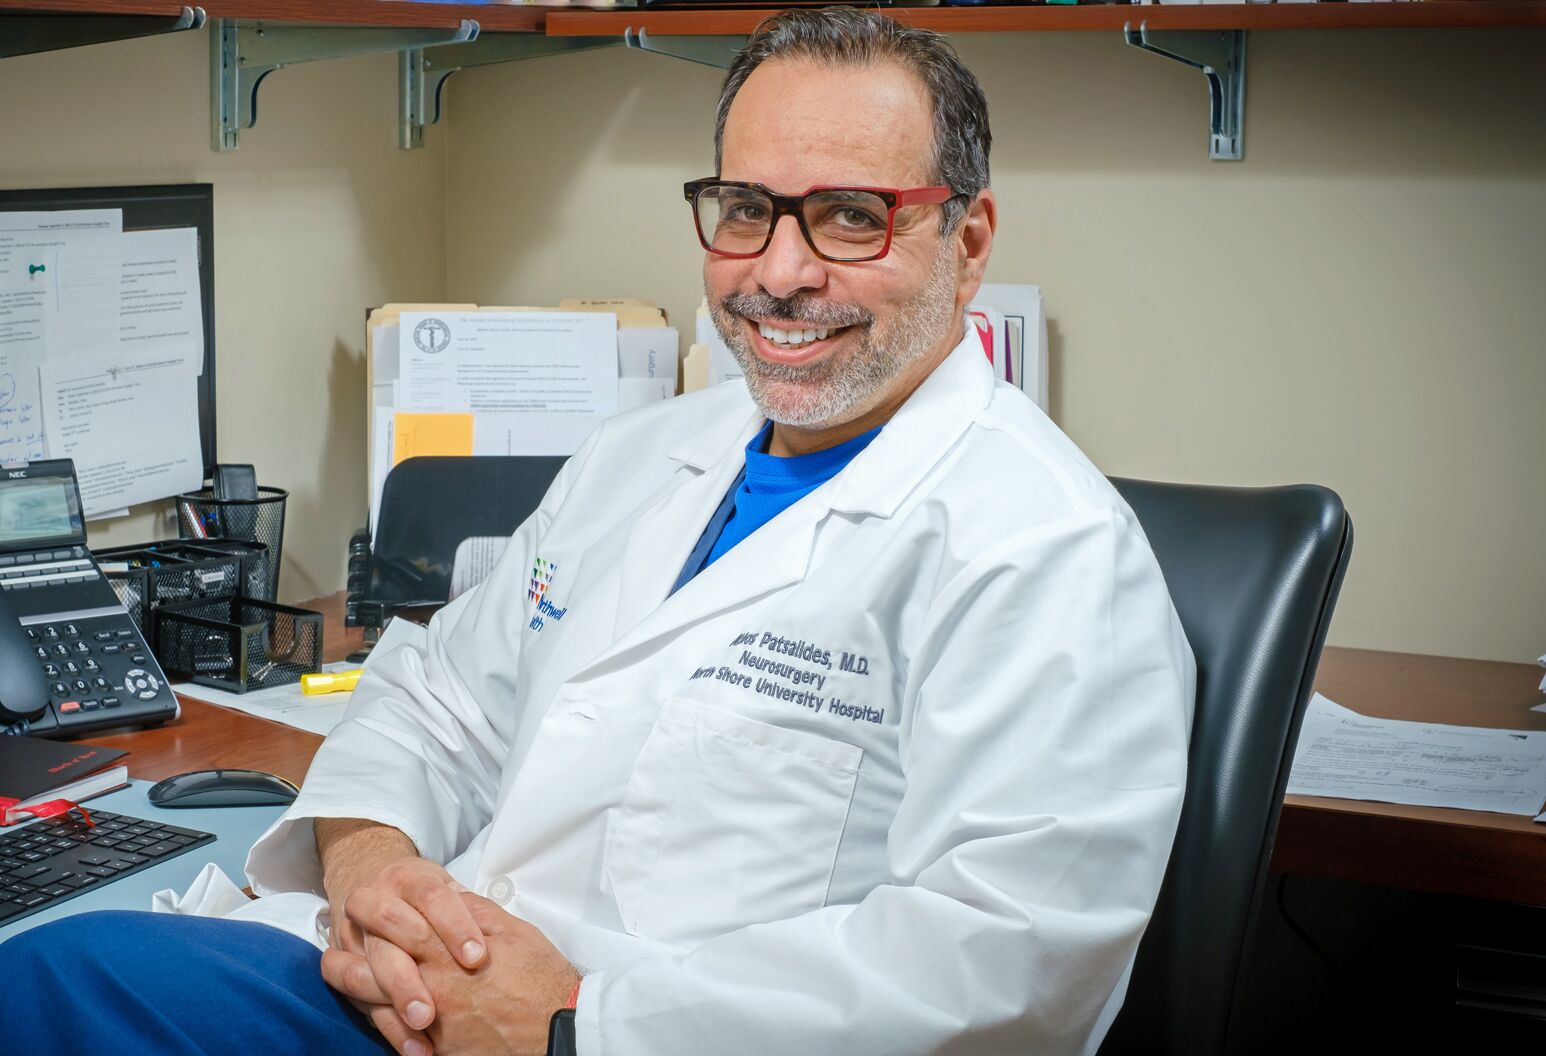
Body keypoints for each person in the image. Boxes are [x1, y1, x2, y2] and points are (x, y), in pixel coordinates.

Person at [0, 8, 1193, 1055]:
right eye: (744, 210)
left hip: (621, 1037)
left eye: (848, 218)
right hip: (412, 993)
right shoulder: (644, 455)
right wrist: (371, 860)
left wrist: (577, 1027)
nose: (777, 272)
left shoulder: (1045, 555)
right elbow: (435, 699)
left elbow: (1004, 972)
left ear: (968, 242)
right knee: (55, 978)